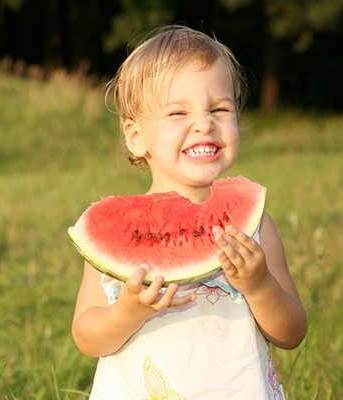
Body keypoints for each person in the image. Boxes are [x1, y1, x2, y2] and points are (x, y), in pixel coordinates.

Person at [71, 25, 307, 399]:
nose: (204, 123)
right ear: (135, 136)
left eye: (220, 108)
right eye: (178, 112)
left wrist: (260, 286)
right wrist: (126, 312)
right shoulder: (118, 235)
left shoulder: (255, 226)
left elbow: (291, 332)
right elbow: (86, 336)